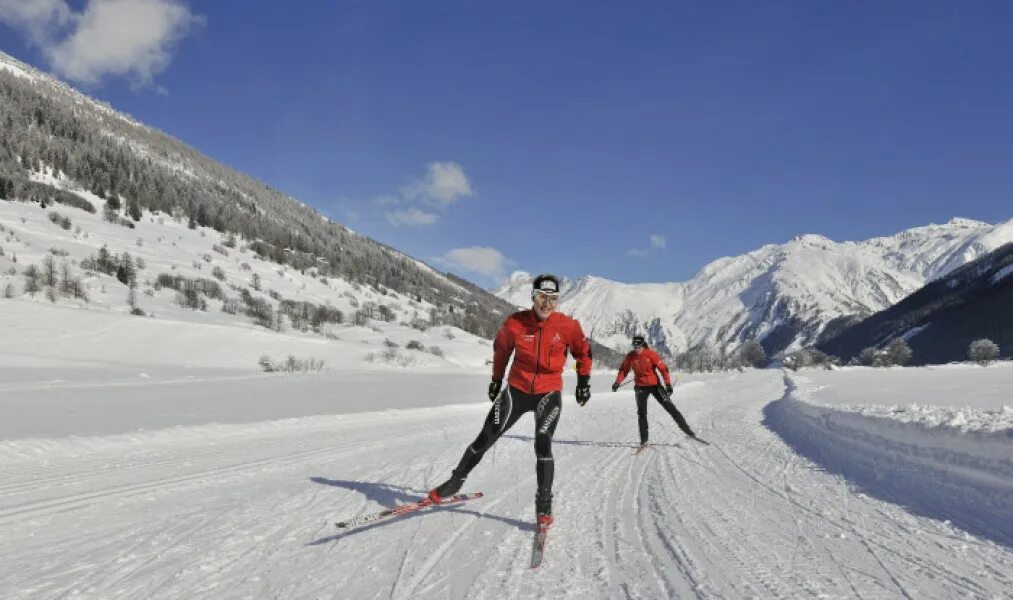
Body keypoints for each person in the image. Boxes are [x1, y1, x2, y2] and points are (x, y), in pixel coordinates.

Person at [428, 273, 592, 527]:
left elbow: (584, 353)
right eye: (541, 297)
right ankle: (455, 481)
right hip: (516, 390)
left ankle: (544, 504)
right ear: (533, 297)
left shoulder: (568, 326)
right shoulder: (515, 323)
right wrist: (495, 380)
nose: (546, 304)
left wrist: (583, 382)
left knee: (543, 443)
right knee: (486, 436)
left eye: (553, 299)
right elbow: (501, 352)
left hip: (548, 392)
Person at [611, 335, 697, 446]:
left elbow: (663, 369)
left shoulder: (651, 354)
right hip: (640, 387)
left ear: (643, 345)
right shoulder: (630, 356)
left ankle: (689, 432)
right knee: (642, 413)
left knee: (670, 408)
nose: (636, 348)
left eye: (639, 346)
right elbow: (624, 370)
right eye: (634, 346)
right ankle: (644, 440)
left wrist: (668, 384)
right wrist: (617, 382)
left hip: (655, 385)